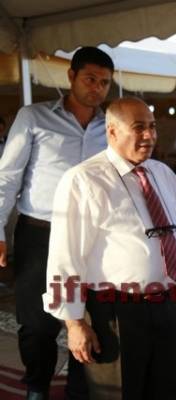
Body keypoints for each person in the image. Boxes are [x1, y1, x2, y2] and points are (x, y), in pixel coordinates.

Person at [42, 97, 176, 399]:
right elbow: (65, 257)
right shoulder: (83, 179)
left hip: (168, 304)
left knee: (166, 388)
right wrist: (74, 323)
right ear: (112, 131)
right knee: (119, 392)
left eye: (152, 127)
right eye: (139, 127)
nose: (149, 136)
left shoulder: (163, 173)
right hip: (114, 312)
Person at [0, 46, 114, 400]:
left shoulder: (112, 125)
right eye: (90, 79)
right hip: (41, 233)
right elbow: (6, 177)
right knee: (37, 323)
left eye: (104, 82)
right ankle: (37, 387)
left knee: (92, 316)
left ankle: (82, 388)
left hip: (94, 237)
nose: (97, 88)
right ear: (71, 76)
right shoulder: (33, 117)